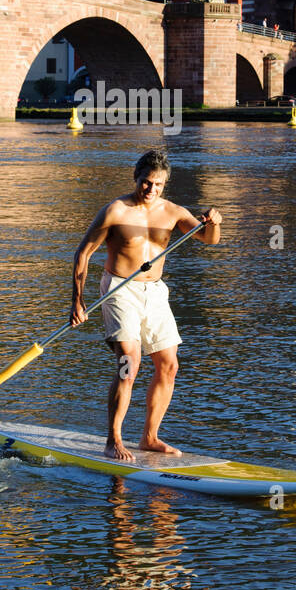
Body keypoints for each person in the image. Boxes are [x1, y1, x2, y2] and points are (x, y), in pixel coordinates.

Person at [71, 148, 222, 461]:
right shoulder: (115, 211)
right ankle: (113, 439)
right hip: (118, 289)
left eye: (159, 184)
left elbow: (209, 239)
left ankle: (150, 437)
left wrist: (215, 222)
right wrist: (78, 300)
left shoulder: (174, 212)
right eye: (146, 182)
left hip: (154, 292)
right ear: (135, 177)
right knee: (129, 362)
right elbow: (83, 253)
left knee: (169, 364)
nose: (151, 189)